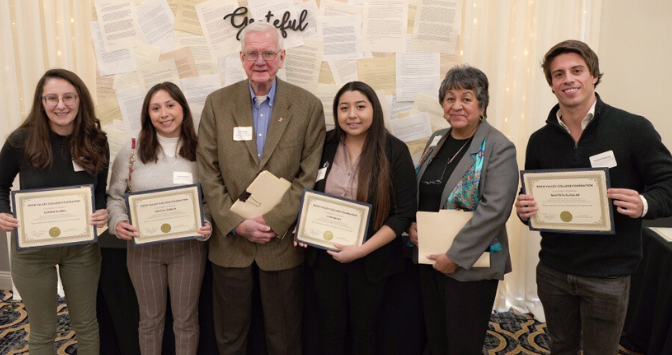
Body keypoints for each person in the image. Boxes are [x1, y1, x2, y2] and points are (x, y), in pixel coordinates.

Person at [515, 40, 672, 354]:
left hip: (608, 274)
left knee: (601, 350)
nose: (568, 79)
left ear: (594, 76)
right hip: (554, 269)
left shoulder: (633, 129)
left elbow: (668, 185)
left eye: (577, 70)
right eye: (558, 74)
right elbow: (531, 195)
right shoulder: (540, 140)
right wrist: (524, 208)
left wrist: (643, 204)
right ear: (551, 84)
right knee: (561, 346)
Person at [196, 21, 325, 355]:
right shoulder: (216, 104)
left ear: (281, 57)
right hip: (230, 245)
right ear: (241, 58)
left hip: (280, 245)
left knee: (284, 338)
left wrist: (274, 221)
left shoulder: (308, 106)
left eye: (268, 53)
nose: (260, 60)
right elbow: (208, 171)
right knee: (230, 338)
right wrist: (236, 222)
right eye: (252, 53)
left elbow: (308, 175)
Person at [0, 68, 109, 354]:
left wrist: (102, 211)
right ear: (41, 102)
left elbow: (99, 192)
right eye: (52, 98)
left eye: (68, 97)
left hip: (81, 250)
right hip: (33, 252)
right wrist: (3, 212)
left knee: (86, 325)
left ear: (79, 99)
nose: (61, 105)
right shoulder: (20, 141)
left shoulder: (96, 140)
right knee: (43, 331)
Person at [298, 81, 417, 355]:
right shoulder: (322, 146)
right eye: (344, 108)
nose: (352, 115)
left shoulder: (394, 151)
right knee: (330, 330)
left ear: (373, 109)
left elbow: (402, 214)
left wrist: (361, 250)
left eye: (360, 107)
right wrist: (301, 225)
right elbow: (304, 190)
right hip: (324, 257)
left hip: (371, 261)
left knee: (365, 332)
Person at [408, 65, 518, 354]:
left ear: (482, 105)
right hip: (429, 258)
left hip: (469, 264)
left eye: (466, 98)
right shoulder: (437, 139)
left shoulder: (499, 147)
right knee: (435, 337)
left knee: (462, 342)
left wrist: (455, 257)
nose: (456, 106)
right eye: (449, 98)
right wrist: (411, 226)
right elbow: (421, 191)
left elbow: (495, 210)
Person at [106, 82, 211, 355]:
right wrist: (117, 223)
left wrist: (208, 223)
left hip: (188, 250)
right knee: (150, 321)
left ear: (183, 109)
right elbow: (115, 197)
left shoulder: (201, 151)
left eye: (170, 105)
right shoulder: (130, 151)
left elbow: (210, 200)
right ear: (147, 114)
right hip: (144, 252)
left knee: (186, 321)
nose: (163, 113)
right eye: (155, 108)